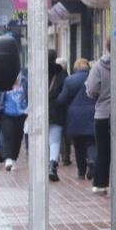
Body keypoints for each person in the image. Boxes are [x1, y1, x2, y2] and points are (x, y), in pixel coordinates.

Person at [86, 40, 116, 196]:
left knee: (103, 149)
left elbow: (92, 89)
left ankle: (100, 184)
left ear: (106, 47)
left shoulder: (98, 66)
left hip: (103, 113)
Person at [58, 59, 96, 179]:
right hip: (93, 113)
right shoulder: (93, 77)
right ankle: (92, 162)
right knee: (92, 141)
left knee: (78, 144)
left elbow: (62, 100)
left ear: (75, 68)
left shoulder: (70, 80)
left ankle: (81, 171)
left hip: (74, 116)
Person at [0, 71, 28, 171]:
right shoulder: (4, 83)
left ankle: (14, 158)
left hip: (21, 115)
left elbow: (29, 96)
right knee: (8, 135)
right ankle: (8, 159)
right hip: (6, 114)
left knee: (18, 137)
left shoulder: (25, 82)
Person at [47, 52, 69, 182]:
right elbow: (65, 93)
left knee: (43, 140)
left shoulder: (38, 71)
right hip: (56, 111)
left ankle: (44, 165)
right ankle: (52, 166)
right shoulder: (61, 73)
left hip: (41, 110)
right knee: (54, 141)